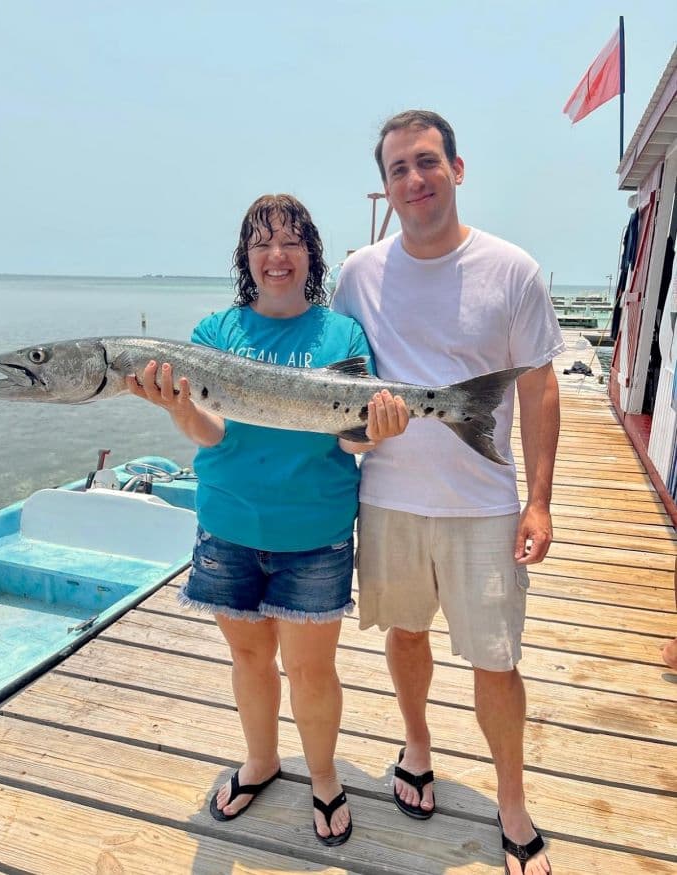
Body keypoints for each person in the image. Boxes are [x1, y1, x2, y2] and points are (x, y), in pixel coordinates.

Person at [126, 194, 407, 847]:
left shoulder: (340, 335)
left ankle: (326, 776)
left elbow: (350, 440)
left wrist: (379, 432)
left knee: (313, 671)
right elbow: (212, 431)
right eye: (261, 243)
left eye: (289, 241)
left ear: (309, 253)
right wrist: (175, 409)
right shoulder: (213, 336)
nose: (276, 255)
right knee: (248, 657)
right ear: (245, 258)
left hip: (315, 533)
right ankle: (260, 761)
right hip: (227, 527)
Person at [332, 111, 563, 875]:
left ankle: (512, 797)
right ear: (386, 187)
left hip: (484, 507)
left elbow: (537, 388)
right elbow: (342, 390)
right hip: (389, 501)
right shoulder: (358, 274)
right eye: (398, 169)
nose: (414, 179)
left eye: (427, 162)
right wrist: (355, 436)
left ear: (457, 170)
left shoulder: (513, 270)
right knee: (404, 635)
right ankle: (417, 742)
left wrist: (539, 498)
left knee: (497, 661)